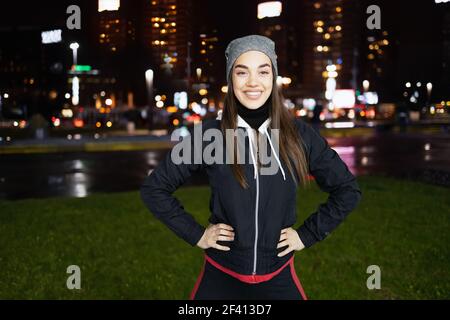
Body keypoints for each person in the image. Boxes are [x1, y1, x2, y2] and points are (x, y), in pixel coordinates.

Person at [140, 35, 362, 300]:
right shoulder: (210, 135)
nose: (253, 82)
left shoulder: (299, 135)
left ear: (274, 78)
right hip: (221, 274)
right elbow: (155, 188)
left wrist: (307, 235)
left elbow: (347, 189)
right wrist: (197, 235)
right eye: (242, 72)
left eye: (263, 72)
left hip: (278, 275)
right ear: (230, 79)